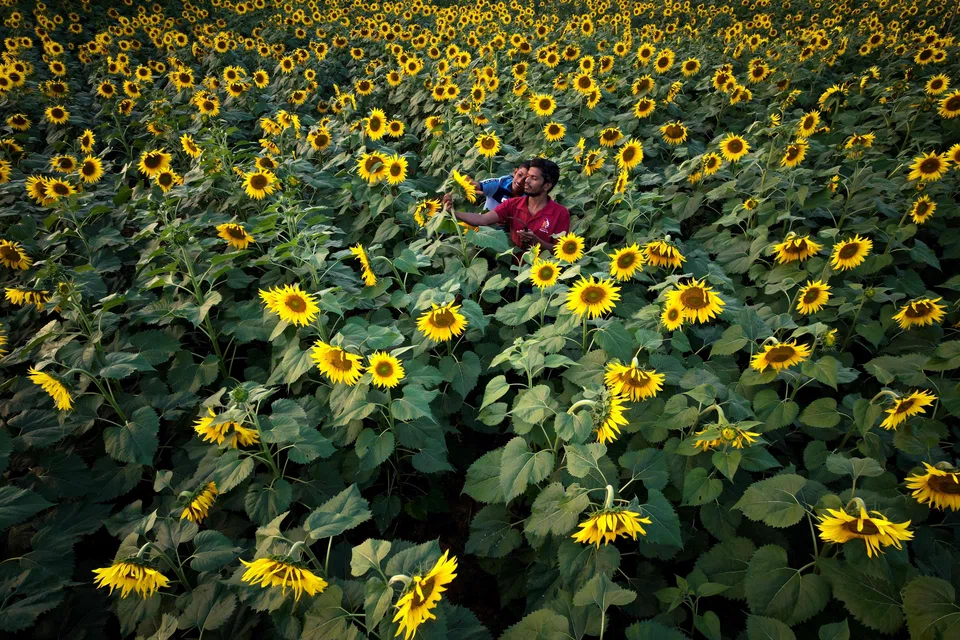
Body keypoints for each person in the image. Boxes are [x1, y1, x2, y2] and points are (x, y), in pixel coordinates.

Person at [446, 157, 569, 254]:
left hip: (543, 274)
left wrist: (536, 241)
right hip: (512, 267)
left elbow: (561, 250)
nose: (526, 181)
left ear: (547, 186)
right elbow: (483, 219)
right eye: (527, 176)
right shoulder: (513, 204)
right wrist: (454, 212)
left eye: (533, 178)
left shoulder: (560, 213)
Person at [442, 161, 530, 212]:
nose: (519, 181)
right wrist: (466, 182)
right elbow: (478, 186)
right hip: (486, 229)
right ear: (515, 172)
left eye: (525, 179)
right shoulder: (499, 184)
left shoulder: (530, 197)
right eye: (519, 175)